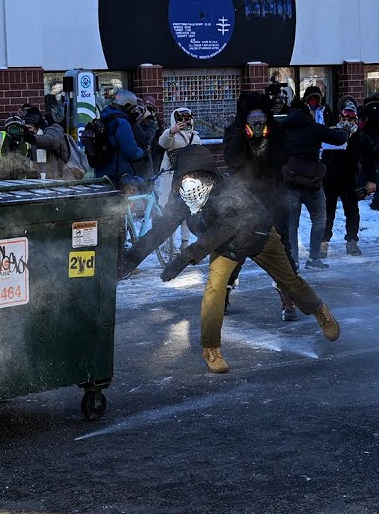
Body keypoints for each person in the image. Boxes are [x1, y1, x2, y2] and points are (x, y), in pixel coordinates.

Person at [119, 144, 340, 374]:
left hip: (258, 238)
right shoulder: (184, 198)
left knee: (290, 282)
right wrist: (127, 261)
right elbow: (160, 230)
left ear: (208, 173)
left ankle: (318, 309)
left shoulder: (229, 190)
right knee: (215, 290)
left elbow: (224, 228)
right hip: (224, 248)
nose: (190, 182)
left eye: (195, 175)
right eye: (185, 176)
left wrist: (186, 256)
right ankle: (211, 349)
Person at [223, 92, 296, 319]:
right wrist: (243, 136)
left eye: (261, 116)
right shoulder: (234, 131)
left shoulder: (276, 130)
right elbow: (232, 160)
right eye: (252, 116)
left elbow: (283, 157)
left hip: (274, 197)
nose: (257, 121)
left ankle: (288, 299)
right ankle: (222, 295)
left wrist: (269, 135)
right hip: (244, 200)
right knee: (236, 250)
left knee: (282, 249)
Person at [282, 97, 348, 270]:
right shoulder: (312, 127)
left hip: (290, 181)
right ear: (307, 112)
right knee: (319, 219)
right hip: (312, 182)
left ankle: (293, 260)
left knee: (292, 224)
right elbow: (339, 138)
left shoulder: (284, 128)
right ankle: (313, 259)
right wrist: (346, 130)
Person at [320, 102, 376, 257]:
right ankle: (323, 242)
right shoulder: (333, 134)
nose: (347, 121)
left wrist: (371, 180)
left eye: (351, 118)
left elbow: (370, 160)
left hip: (350, 180)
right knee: (327, 212)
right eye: (345, 117)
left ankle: (352, 241)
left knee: (352, 212)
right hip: (330, 180)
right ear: (340, 117)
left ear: (355, 120)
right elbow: (323, 156)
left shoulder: (360, 137)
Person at [157, 108, 203, 246]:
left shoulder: (195, 137)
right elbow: (162, 143)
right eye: (181, 118)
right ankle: (168, 244)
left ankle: (185, 242)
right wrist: (172, 131)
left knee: (188, 211)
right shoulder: (171, 135)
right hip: (170, 178)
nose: (184, 121)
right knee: (170, 211)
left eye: (187, 118)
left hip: (189, 179)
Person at [94, 90, 147, 189]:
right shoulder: (122, 123)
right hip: (119, 177)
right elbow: (131, 152)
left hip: (101, 175)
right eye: (133, 108)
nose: (134, 111)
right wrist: (143, 152)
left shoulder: (104, 118)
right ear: (127, 106)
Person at [23, 111, 83, 180]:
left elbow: (51, 140)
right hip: (45, 180)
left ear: (37, 126)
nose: (28, 131)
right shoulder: (34, 140)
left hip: (61, 179)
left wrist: (32, 138)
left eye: (29, 128)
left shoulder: (53, 131)